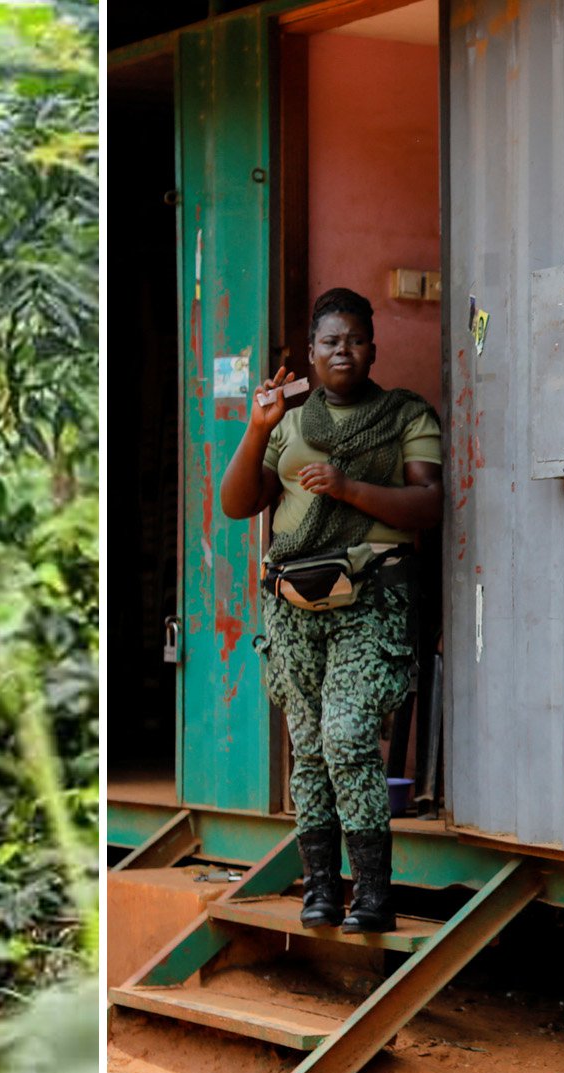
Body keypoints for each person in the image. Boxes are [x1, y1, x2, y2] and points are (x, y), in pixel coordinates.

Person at [220, 288, 441, 934]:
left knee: (347, 734)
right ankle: (321, 886)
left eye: (354, 339)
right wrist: (257, 426)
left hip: (374, 597)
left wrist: (348, 488)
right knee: (309, 745)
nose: (342, 350)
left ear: (373, 346)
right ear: (310, 354)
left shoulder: (404, 415)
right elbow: (240, 503)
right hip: (295, 604)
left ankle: (373, 892)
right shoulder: (288, 423)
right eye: (329, 341)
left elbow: (428, 506)